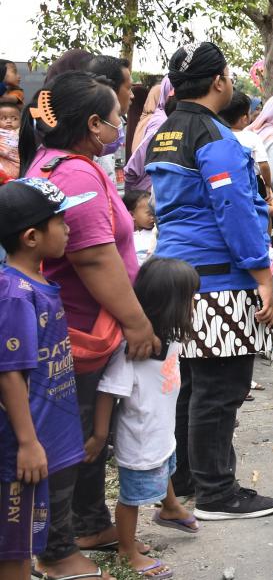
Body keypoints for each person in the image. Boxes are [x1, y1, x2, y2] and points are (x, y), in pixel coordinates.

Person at [20, 71, 159, 577]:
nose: (123, 124)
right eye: (118, 117)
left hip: (79, 327)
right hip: (79, 331)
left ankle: (88, 523)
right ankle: (57, 551)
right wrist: (138, 323)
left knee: (83, 438)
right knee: (70, 441)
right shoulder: (76, 175)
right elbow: (95, 258)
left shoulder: (60, 163)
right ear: (94, 123)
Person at [144, 41, 273, 521]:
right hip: (218, 280)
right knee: (221, 390)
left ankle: (186, 481)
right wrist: (262, 275)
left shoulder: (163, 133)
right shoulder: (217, 138)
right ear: (219, 81)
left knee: (192, 386)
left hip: (175, 278)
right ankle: (218, 494)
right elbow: (236, 211)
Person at [84, 257, 202, 579]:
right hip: (138, 439)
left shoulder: (170, 339)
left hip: (160, 432)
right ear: (170, 304)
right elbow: (108, 392)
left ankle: (170, 508)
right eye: (190, 298)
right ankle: (126, 550)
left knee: (165, 465)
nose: (194, 304)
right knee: (131, 498)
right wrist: (99, 435)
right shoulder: (132, 351)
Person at [0, 179, 93, 580]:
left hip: (42, 441)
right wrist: (27, 442)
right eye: (61, 220)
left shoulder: (39, 284)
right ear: (32, 236)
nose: (69, 227)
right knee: (14, 550)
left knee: (27, 542)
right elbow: (8, 374)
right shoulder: (15, 294)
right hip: (21, 449)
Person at [123, 77, 173, 192]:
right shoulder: (160, 122)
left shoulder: (144, 118)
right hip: (146, 190)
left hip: (139, 186)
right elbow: (135, 164)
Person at [122, 190, 155, 265]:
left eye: (154, 212)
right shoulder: (127, 238)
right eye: (149, 213)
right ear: (132, 215)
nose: (153, 216)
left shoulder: (156, 232)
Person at [0, 98, 20, 181]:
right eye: (3, 118)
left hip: (14, 165)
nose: (9, 121)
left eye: (14, 118)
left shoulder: (21, 133)